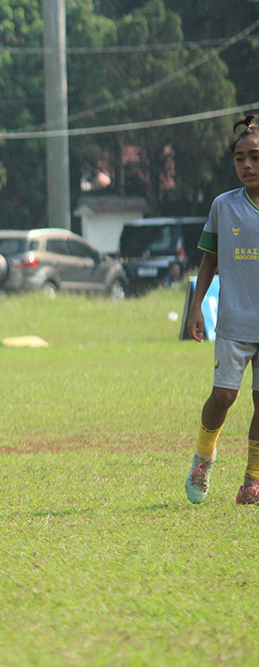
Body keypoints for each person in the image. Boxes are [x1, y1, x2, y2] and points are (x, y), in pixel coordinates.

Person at [184, 113, 259, 506]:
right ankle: (203, 459)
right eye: (240, 158)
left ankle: (252, 481)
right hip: (234, 323)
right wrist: (197, 307)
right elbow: (209, 260)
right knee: (224, 397)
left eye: (255, 157)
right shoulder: (223, 206)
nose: (246, 165)